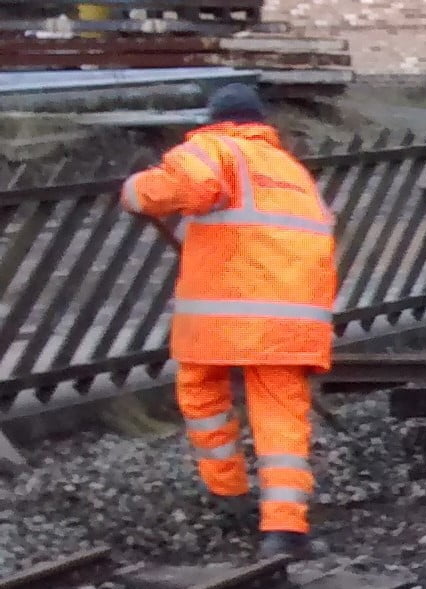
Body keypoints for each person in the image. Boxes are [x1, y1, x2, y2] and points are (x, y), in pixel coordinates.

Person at [119, 84, 337, 559]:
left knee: (203, 395)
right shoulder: (291, 170)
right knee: (281, 419)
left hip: (220, 315)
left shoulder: (213, 148)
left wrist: (134, 189)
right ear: (261, 120)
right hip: (290, 321)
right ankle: (284, 530)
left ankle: (228, 495)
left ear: (216, 118)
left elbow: (184, 189)